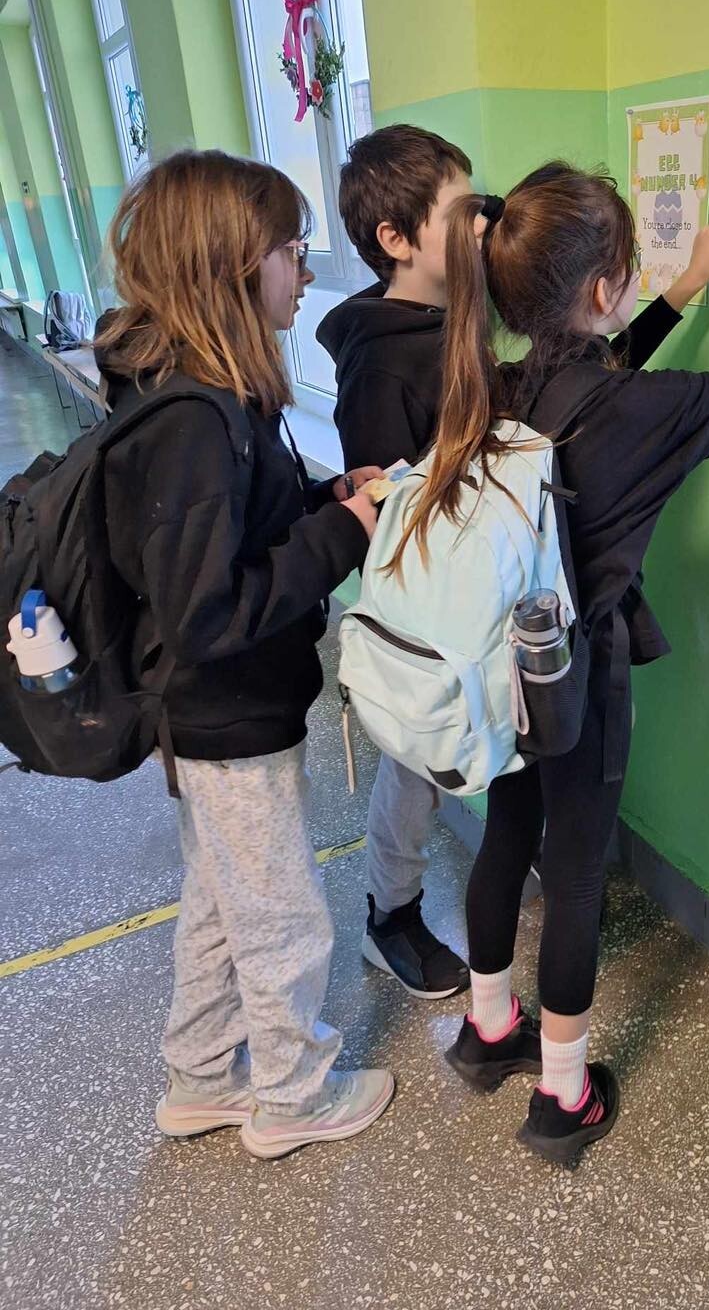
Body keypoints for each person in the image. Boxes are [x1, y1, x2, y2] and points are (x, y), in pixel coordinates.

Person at [400, 162, 709, 1164]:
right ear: (603, 289)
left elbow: (594, 381)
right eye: (629, 273)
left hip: (496, 669)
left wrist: (684, 288)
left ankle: (490, 1030)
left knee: (507, 833)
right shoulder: (647, 412)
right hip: (577, 684)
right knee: (579, 875)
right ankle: (563, 1096)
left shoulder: (494, 385)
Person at [318, 123, 709, 998]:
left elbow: (589, 384)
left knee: (491, 788)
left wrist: (683, 288)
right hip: (439, 627)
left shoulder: (462, 326)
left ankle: (490, 960)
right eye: (464, 211)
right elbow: (393, 517)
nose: (484, 223)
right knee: (415, 769)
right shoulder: (384, 365)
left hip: (494, 613)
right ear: (395, 240)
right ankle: (390, 915)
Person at [94, 149, 394, 1160]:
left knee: (225, 900)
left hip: (215, 710)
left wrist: (323, 500)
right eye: (292, 251)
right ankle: (294, 1097)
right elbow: (208, 610)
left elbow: (231, 535)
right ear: (233, 265)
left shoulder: (202, 395)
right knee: (281, 916)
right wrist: (343, 533)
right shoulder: (193, 418)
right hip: (226, 711)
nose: (304, 272)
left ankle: (200, 1077)